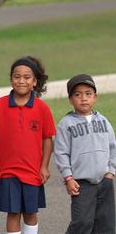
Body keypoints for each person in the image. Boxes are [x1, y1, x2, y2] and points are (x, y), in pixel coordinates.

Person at [0, 56, 55, 234]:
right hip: (7, 170)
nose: (21, 81)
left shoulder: (42, 108)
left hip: (32, 171)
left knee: (30, 212)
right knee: (13, 213)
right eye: (17, 76)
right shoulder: (0, 105)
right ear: (11, 80)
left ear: (34, 82)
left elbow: (47, 139)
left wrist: (44, 167)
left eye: (27, 77)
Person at [54, 74, 116, 234]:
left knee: (106, 223)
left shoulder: (103, 120)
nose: (83, 98)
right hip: (81, 183)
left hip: (105, 181)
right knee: (82, 222)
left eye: (88, 94)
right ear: (70, 99)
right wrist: (68, 177)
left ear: (95, 97)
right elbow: (61, 153)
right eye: (77, 94)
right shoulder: (65, 124)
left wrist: (110, 171)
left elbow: (112, 147)